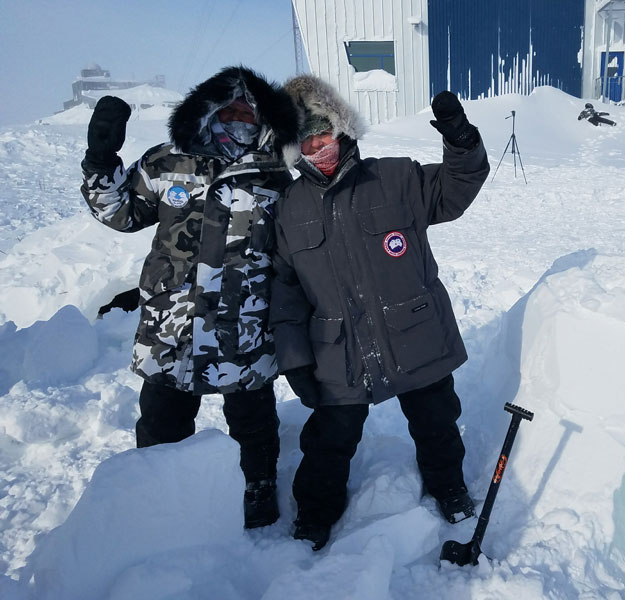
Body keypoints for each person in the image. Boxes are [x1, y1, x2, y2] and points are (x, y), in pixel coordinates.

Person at [270, 75, 490, 551]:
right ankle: (316, 512)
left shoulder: (395, 177)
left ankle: (448, 485)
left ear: (342, 129)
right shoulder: (289, 208)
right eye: (305, 141)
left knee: (437, 422)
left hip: (413, 332)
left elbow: (458, 186)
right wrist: (295, 360)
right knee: (329, 441)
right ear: (293, 149)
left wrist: (461, 139)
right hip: (338, 350)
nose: (318, 148)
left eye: (323, 134)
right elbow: (285, 293)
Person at [80, 66, 302, 529]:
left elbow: (303, 243)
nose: (239, 115)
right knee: (161, 422)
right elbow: (121, 213)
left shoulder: (279, 176)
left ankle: (256, 485)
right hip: (172, 323)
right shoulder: (166, 161)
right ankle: (157, 494)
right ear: (208, 111)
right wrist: (100, 162)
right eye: (230, 108)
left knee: (253, 422)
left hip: (245, 322)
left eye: (249, 110)